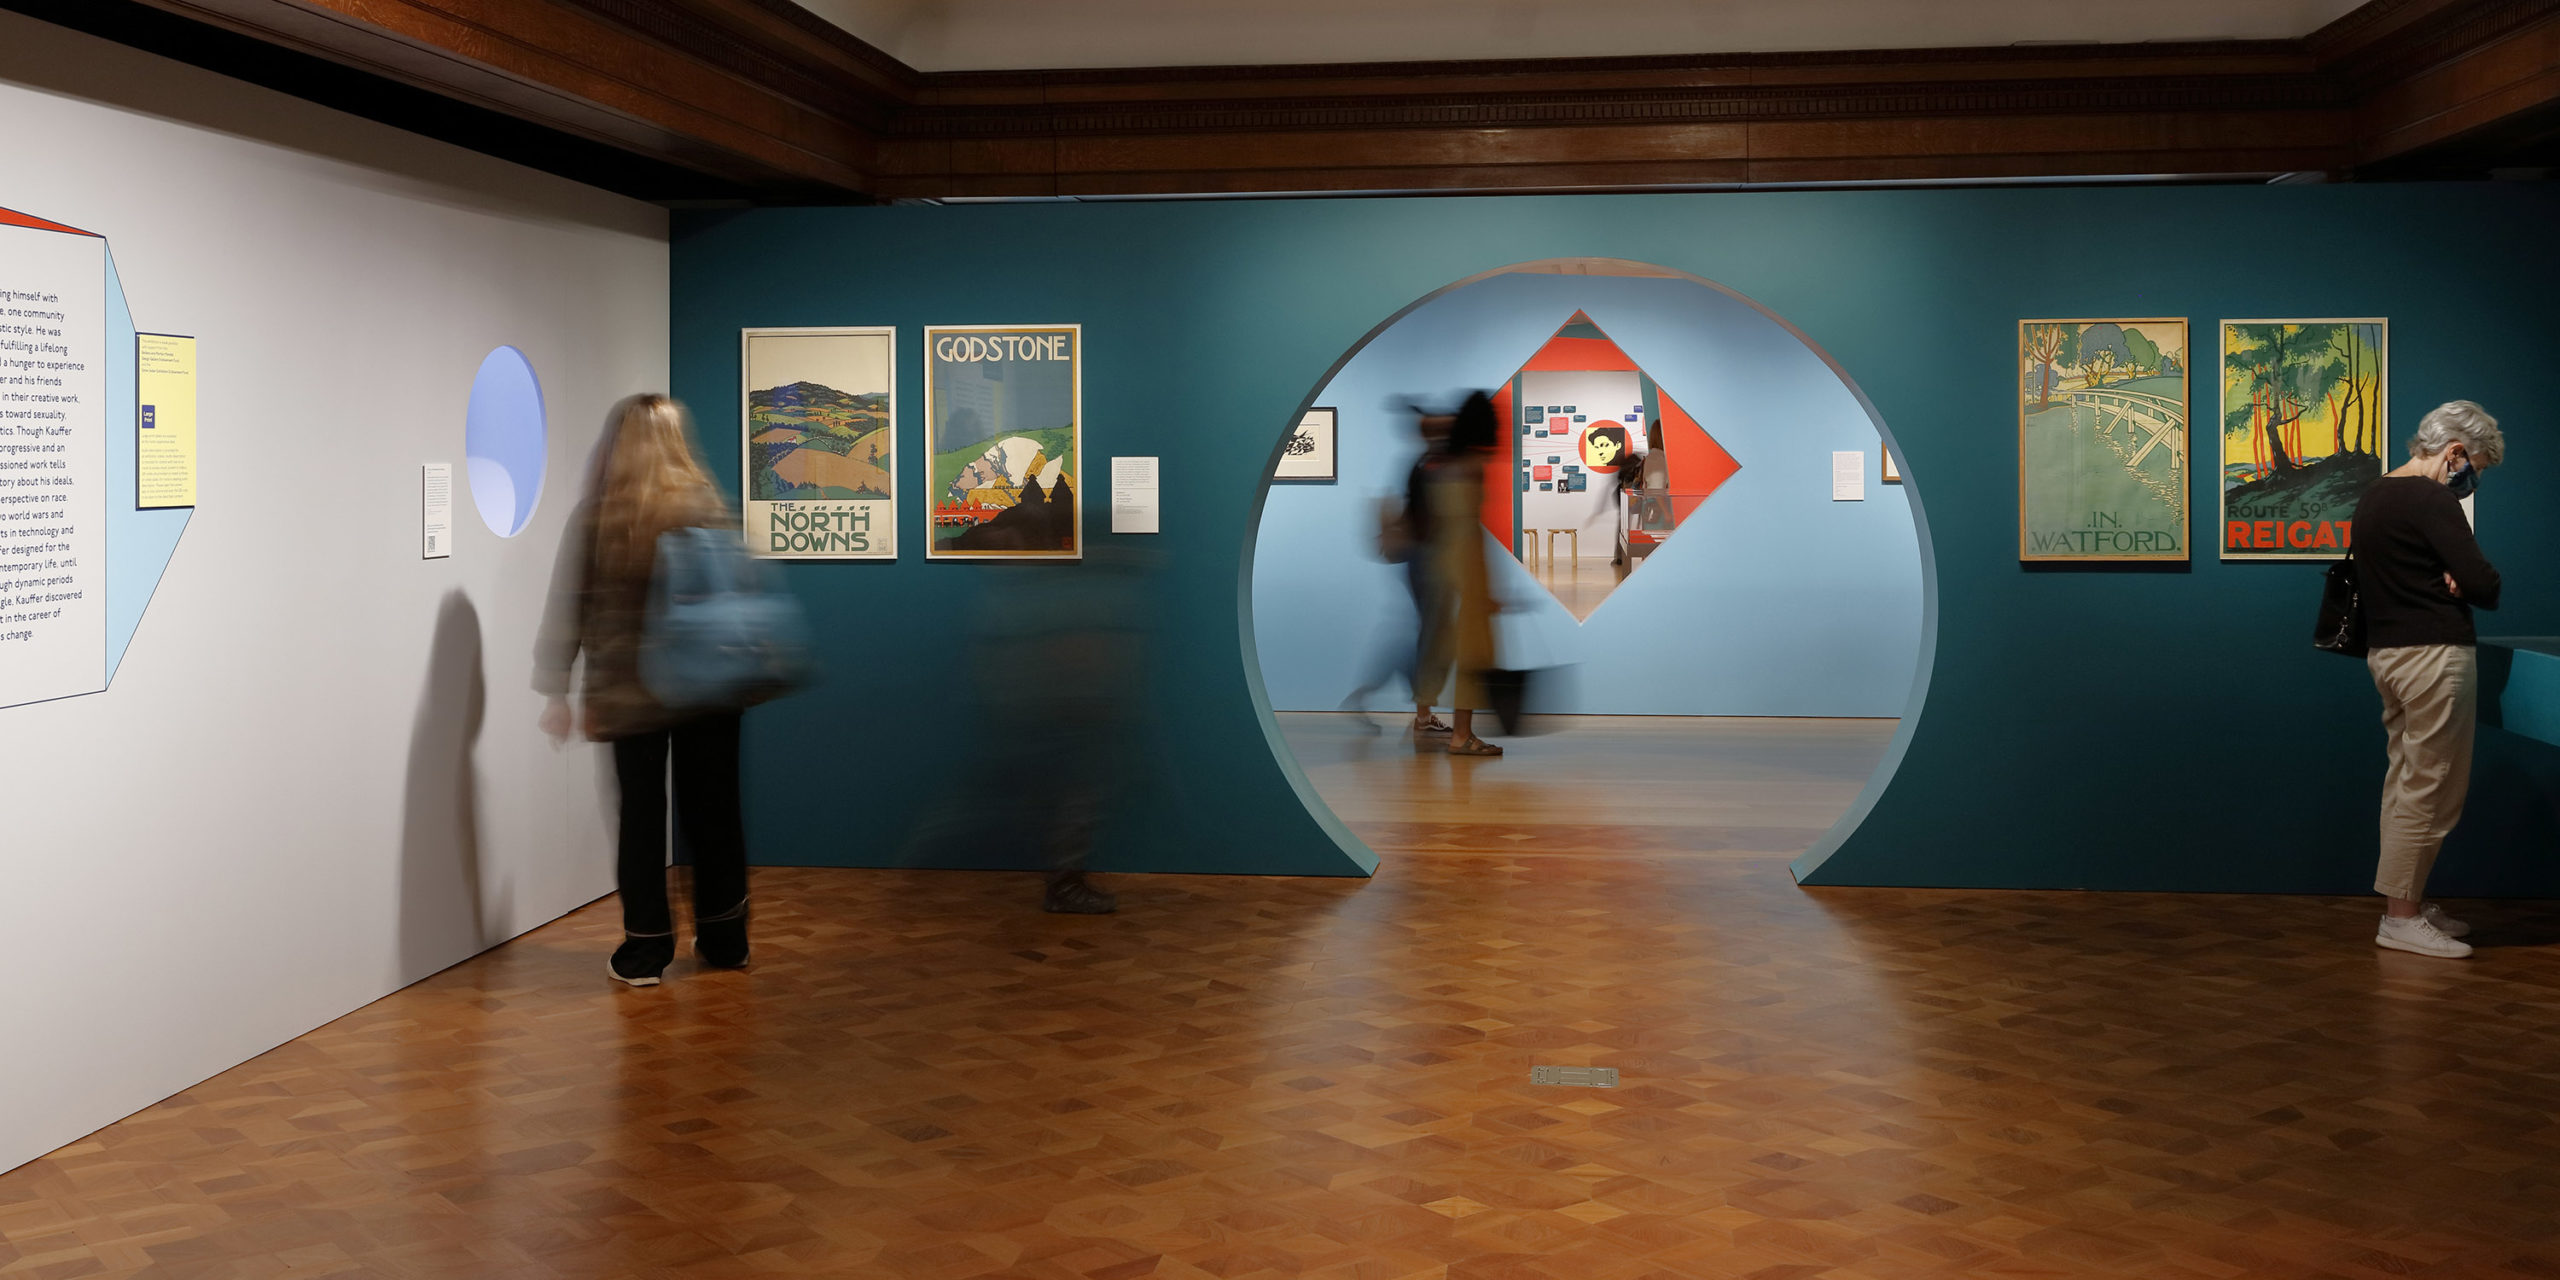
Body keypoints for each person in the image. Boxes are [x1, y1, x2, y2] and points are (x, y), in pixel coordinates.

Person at [536, 394, 753, 986]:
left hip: (628, 692)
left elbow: (569, 607)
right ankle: (726, 938)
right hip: (709, 687)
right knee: (715, 811)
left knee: (641, 817)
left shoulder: (600, 515)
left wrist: (556, 688)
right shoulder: (709, 506)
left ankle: (645, 950)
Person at [2350, 399, 2504, 959]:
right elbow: (2485, 584)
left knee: (2406, 783)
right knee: (2432, 785)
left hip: (2388, 655)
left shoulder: (2377, 493)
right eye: (2477, 467)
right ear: (2456, 451)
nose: (2473, 478)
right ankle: (2401, 918)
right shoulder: (2429, 497)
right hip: (2434, 656)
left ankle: (2406, 899)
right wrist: (2462, 582)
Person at [1343, 406, 1450, 735]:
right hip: (1425, 561)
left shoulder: (1423, 465)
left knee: (1427, 636)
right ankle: (1399, 702)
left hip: (1423, 560)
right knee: (1429, 638)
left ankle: (1418, 710)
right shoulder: (1428, 467)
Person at [1415, 391, 1502, 757]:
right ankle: (1462, 734)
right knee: (1473, 651)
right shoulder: (1471, 465)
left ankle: (1424, 714)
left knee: (1437, 643)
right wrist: (1485, 588)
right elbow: (1469, 528)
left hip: (1437, 564)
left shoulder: (1439, 465)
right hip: (1466, 566)